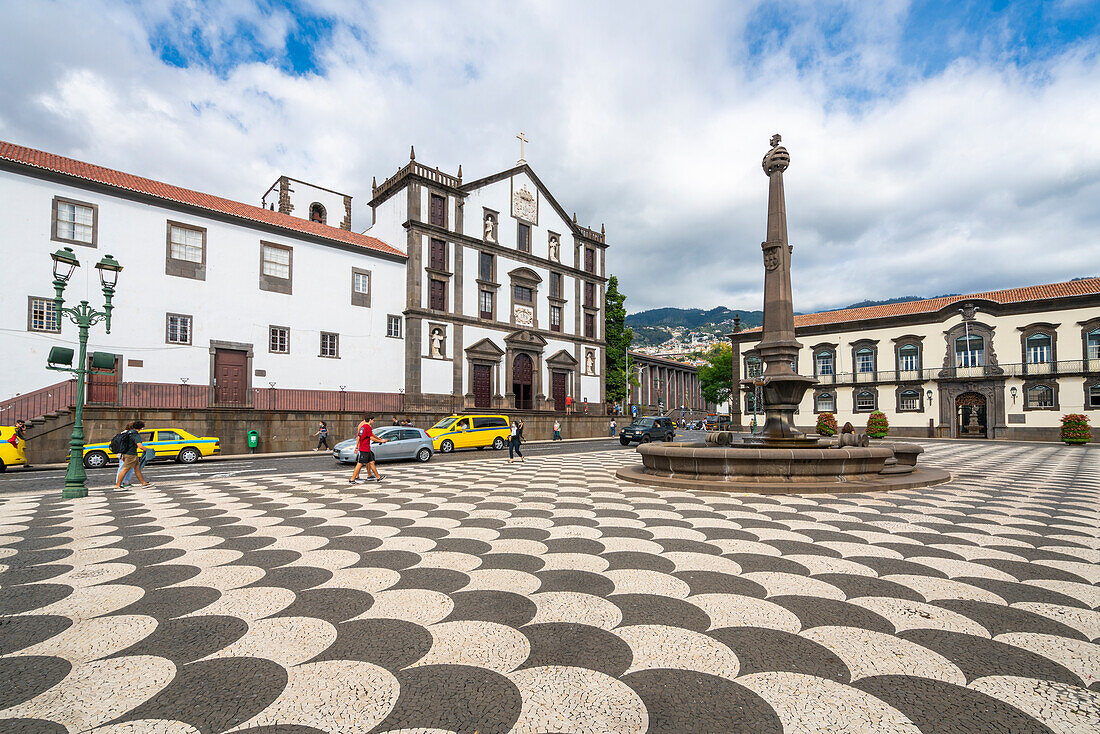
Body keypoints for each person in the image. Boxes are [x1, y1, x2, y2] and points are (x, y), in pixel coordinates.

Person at [114, 420, 154, 489]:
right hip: (131, 455)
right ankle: (117, 485)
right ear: (140, 428)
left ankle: (144, 483)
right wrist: (148, 450)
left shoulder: (129, 433)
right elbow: (140, 446)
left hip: (129, 454)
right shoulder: (135, 434)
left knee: (137, 469)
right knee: (125, 469)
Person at [350, 414, 389, 484]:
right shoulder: (368, 427)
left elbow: (359, 436)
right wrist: (381, 441)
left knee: (371, 462)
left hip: (366, 448)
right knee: (359, 464)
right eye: (373, 420)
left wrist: (357, 447)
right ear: (370, 420)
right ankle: (352, 479)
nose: (373, 421)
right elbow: (371, 437)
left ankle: (378, 477)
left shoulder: (362, 427)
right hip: (364, 448)